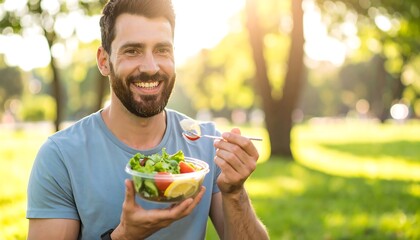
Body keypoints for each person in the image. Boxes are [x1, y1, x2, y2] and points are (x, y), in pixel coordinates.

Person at [26, 0, 269, 239]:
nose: (151, 67)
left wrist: (235, 193)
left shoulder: (207, 145)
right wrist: (123, 236)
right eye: (133, 51)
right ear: (104, 61)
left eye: (162, 50)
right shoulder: (61, 156)